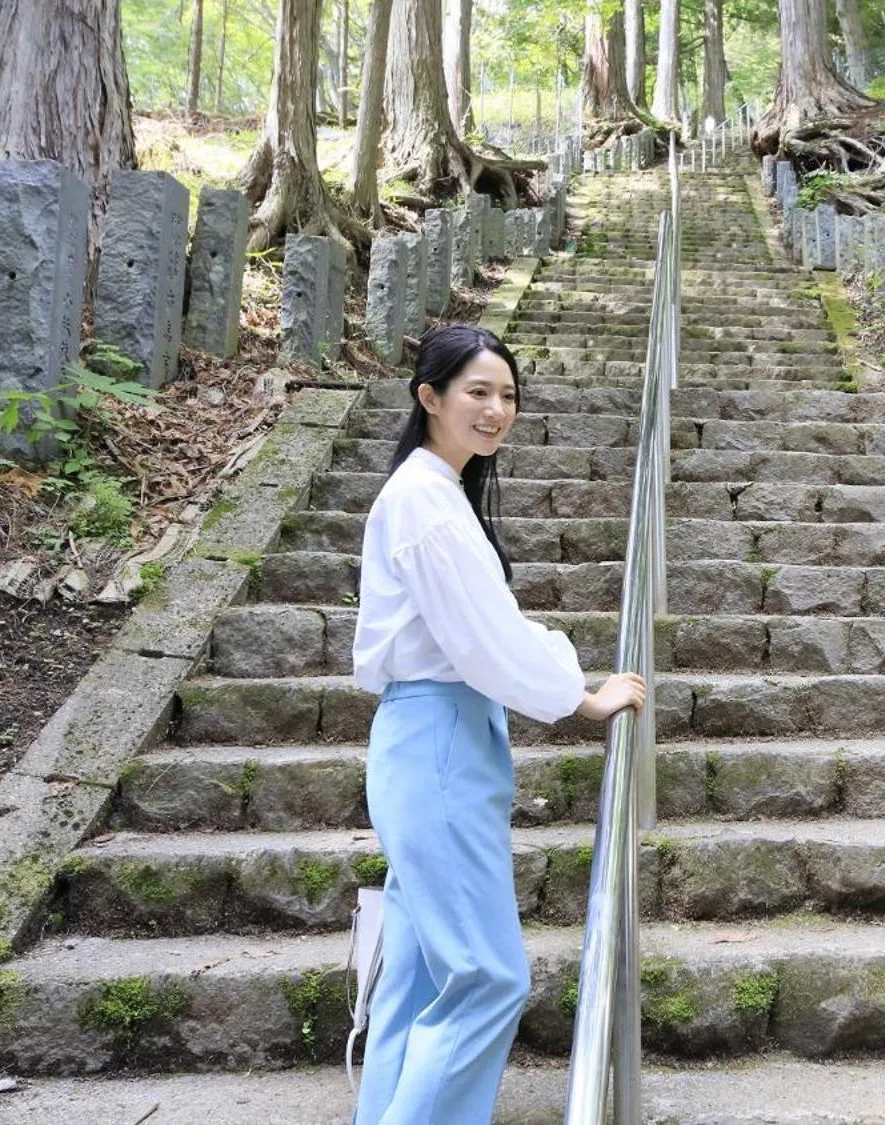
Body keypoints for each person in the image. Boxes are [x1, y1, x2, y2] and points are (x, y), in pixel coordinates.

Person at [351, 324, 646, 1125]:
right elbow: (481, 636)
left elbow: (478, 630)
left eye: (507, 395)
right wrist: (580, 696)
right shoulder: (425, 502)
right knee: (486, 975)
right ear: (429, 397)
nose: (494, 410)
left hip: (433, 740)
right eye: (476, 391)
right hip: (438, 742)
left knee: (417, 978)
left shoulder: (433, 493)